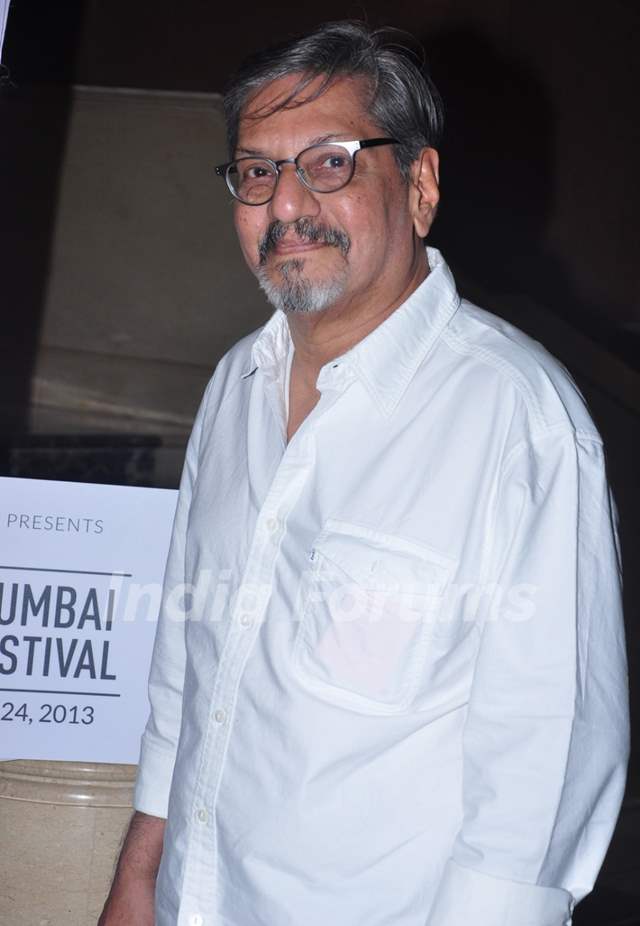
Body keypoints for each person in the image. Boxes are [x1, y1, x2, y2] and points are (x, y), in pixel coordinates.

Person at [99, 20, 630, 926]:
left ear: (419, 184)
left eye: (332, 161)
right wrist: (141, 876)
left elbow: (545, 768)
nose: (286, 203)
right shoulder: (236, 386)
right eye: (257, 171)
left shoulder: (516, 418)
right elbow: (187, 676)